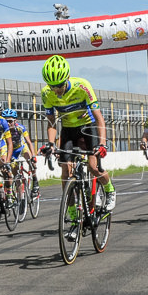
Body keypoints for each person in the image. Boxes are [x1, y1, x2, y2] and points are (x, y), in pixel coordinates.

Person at [39, 55, 116, 228]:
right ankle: (73, 216)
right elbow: (51, 122)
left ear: (66, 78)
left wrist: (102, 144)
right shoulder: (46, 94)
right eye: (52, 86)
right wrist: (51, 144)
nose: (56, 90)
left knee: (93, 166)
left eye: (59, 85)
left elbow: (99, 119)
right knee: (66, 171)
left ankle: (110, 190)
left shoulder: (82, 86)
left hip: (87, 128)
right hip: (68, 130)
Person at [2, 107, 38, 196]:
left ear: (15, 121)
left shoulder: (20, 128)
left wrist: (33, 156)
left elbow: (29, 142)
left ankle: (35, 179)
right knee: (15, 172)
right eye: (6, 121)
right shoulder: (2, 130)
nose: (8, 123)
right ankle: (20, 196)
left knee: (31, 160)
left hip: (21, 147)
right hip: (11, 151)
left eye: (10, 121)